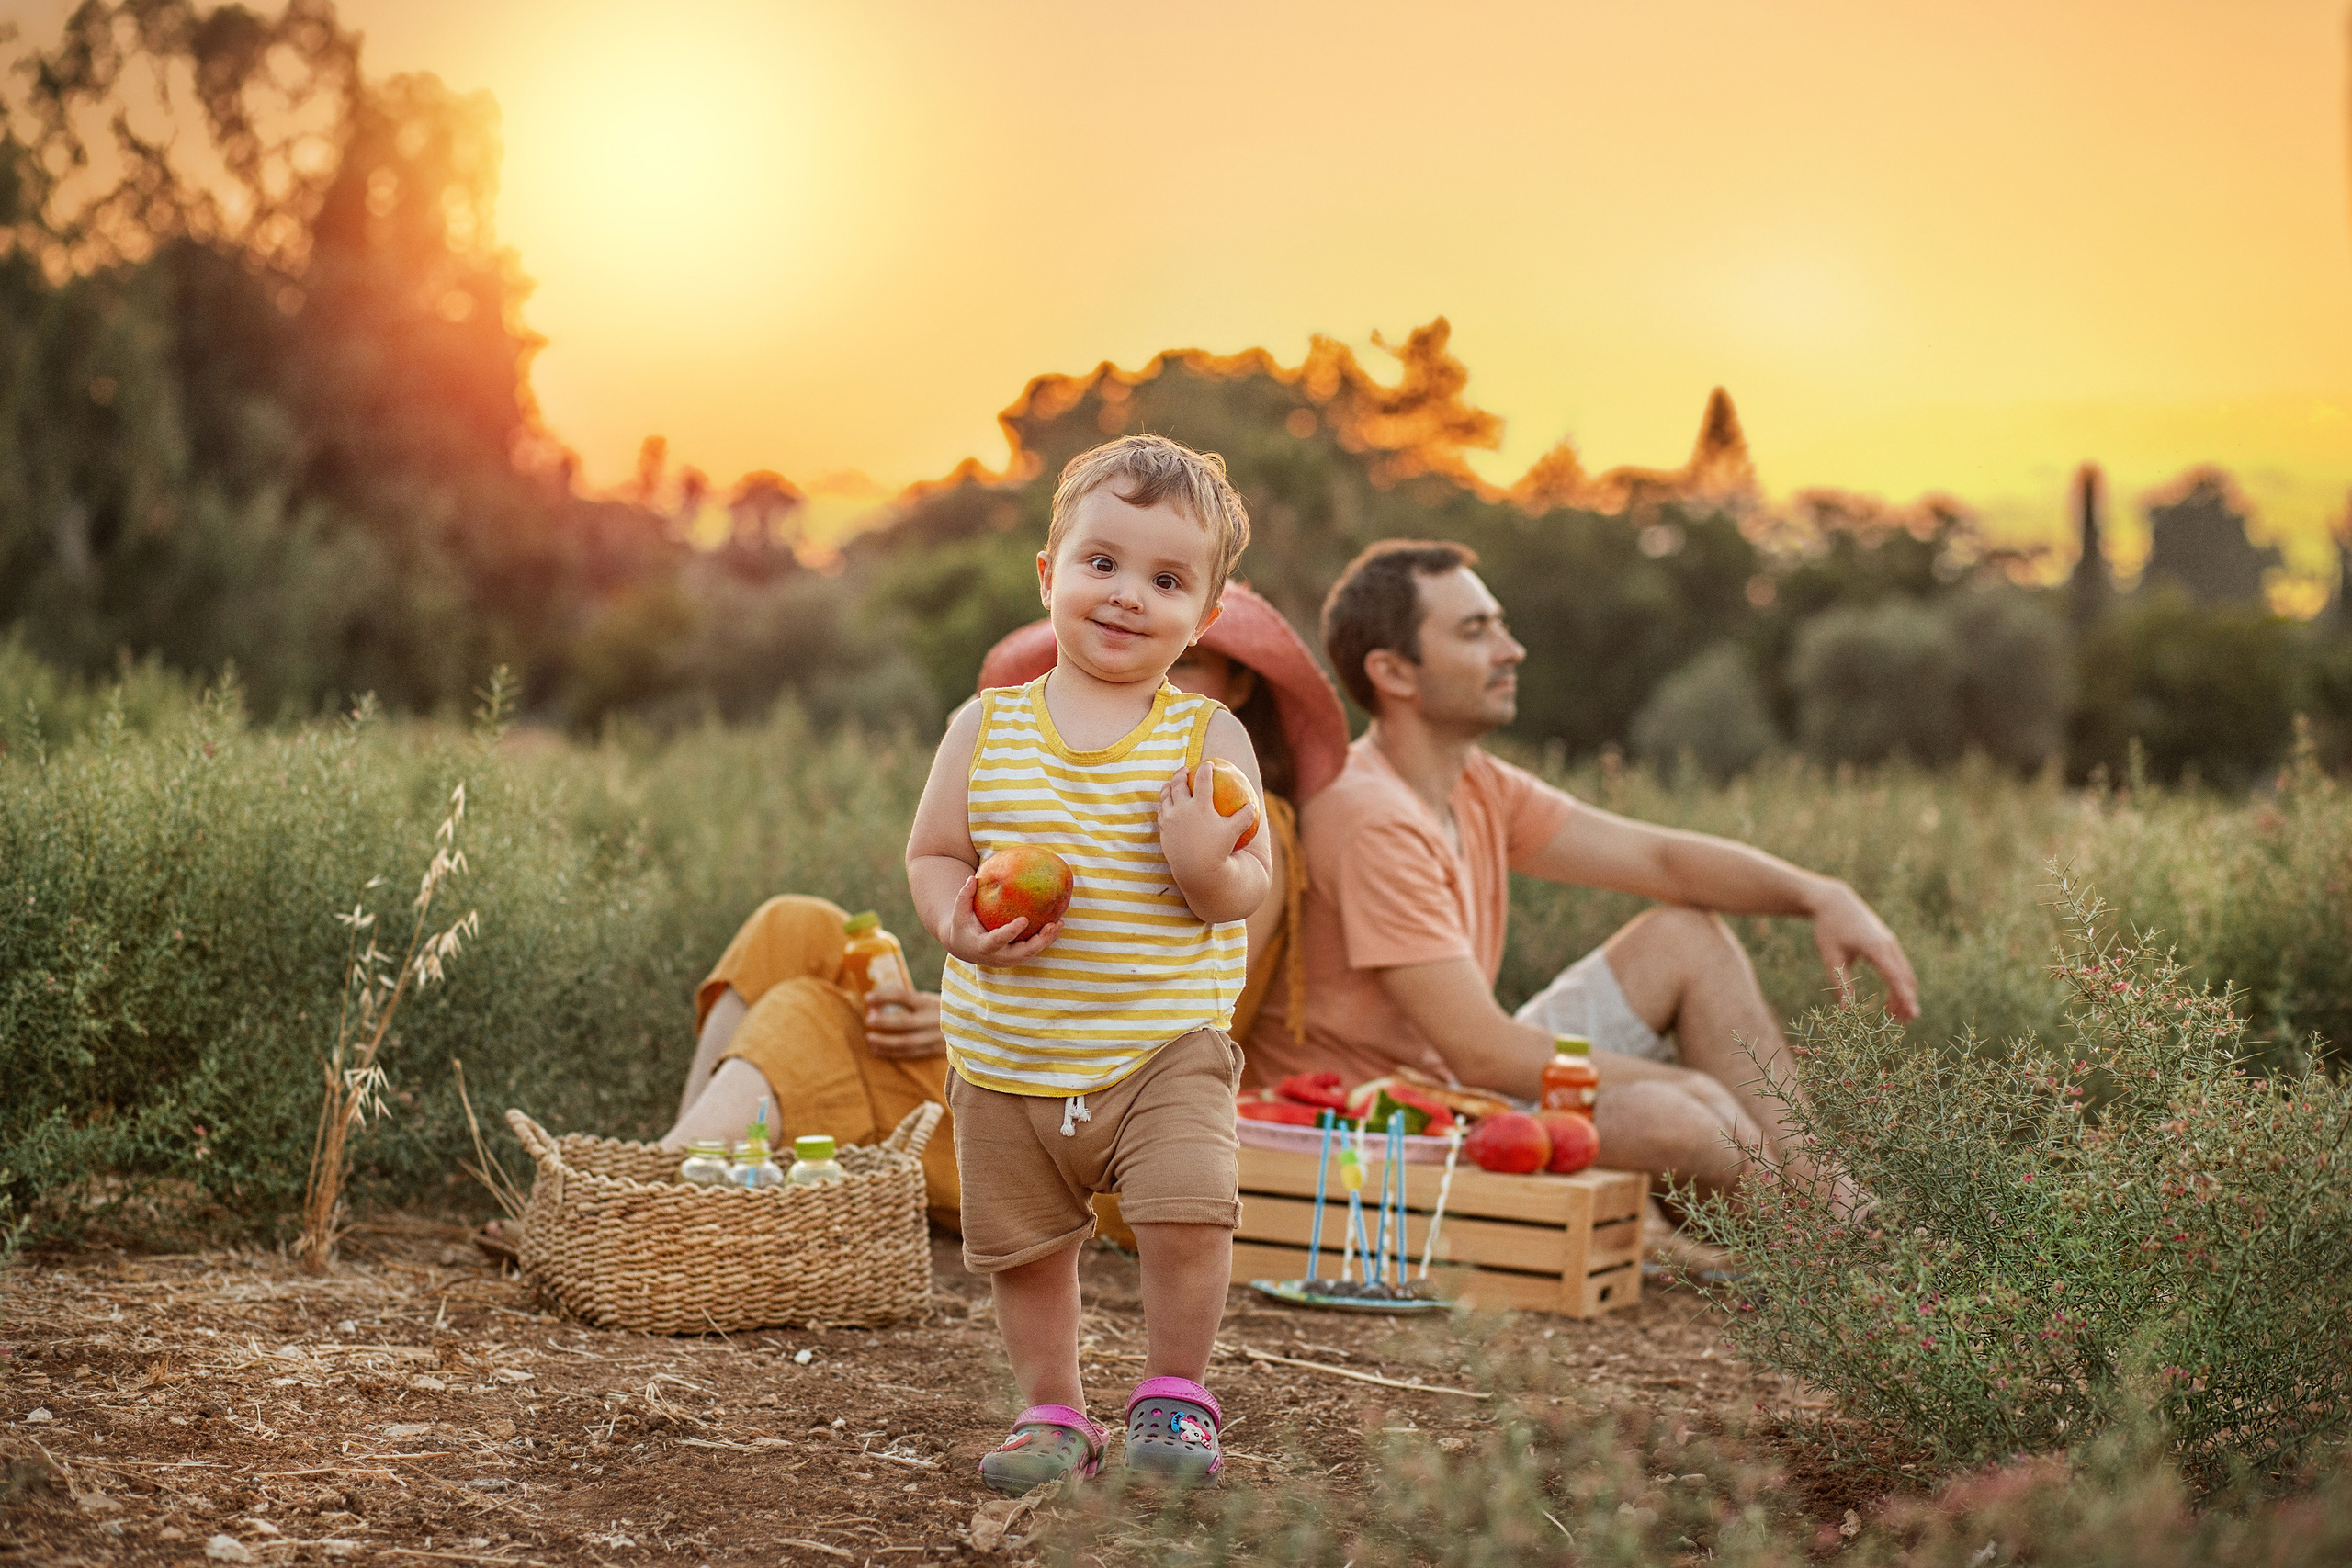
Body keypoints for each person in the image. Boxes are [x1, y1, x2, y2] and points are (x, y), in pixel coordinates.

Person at [639, 586, 1348, 1247]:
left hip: (1108, 1125)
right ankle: (675, 1167)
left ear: (1240, 686)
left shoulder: (1239, 824)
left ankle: (645, 1210)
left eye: (1185, 661)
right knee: (792, 924)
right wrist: (962, 950)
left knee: (809, 1017)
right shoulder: (1076, 786)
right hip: (1020, 1051)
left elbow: (1165, 1000)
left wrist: (952, 1032)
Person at [1244, 539, 1919, 1207]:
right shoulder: (1370, 817)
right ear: (1394, 673)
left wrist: (1820, 894)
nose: (1511, 650)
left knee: (1686, 939)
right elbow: (1482, 1052)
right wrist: (1684, 1087)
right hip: (1386, 1128)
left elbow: (1660, 860)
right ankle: (1813, 1255)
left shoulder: (1475, 783)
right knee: (1678, 1118)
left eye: (1501, 625)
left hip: (1459, 1085)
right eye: (1476, 632)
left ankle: (1837, 1205)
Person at [906, 434, 1265, 1492]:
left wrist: (1207, 870)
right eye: (1100, 563)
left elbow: (1254, 883)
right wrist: (954, 925)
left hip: (1163, 1044)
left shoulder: (1208, 736)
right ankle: (1051, 1410)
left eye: (1165, 580)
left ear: (1204, 617)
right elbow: (934, 852)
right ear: (1048, 574)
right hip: (1008, 1049)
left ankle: (1172, 1395)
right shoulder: (985, 727)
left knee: (1188, 1214)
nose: (1124, 597)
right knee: (1024, 1250)